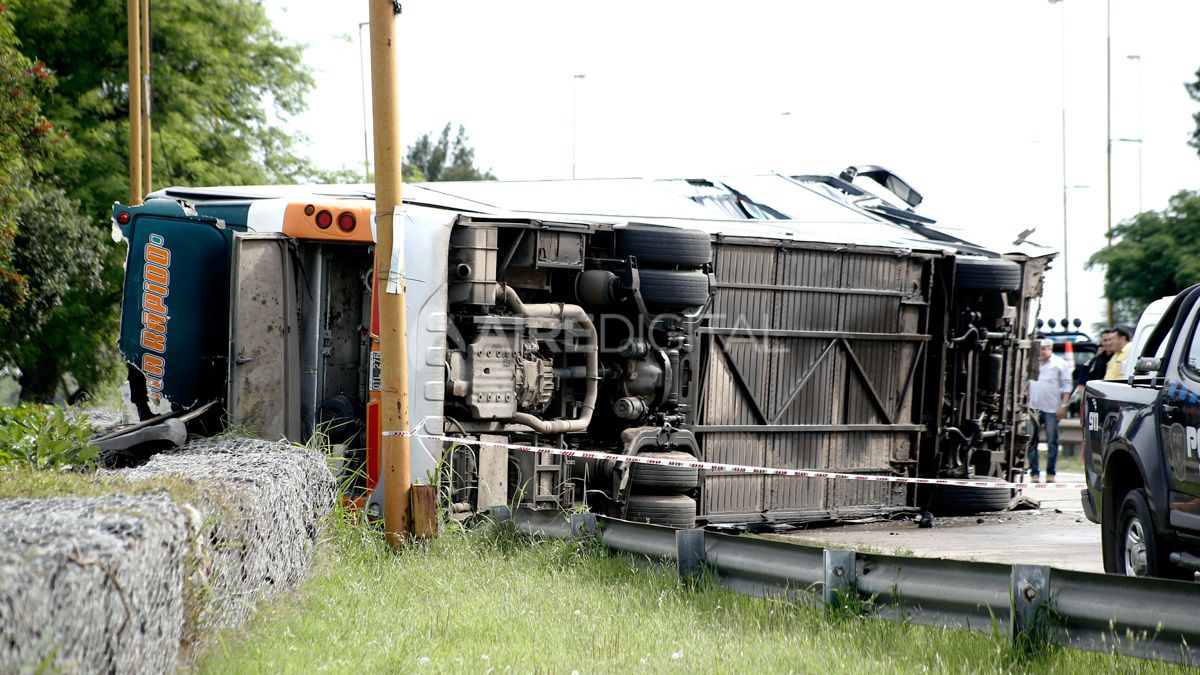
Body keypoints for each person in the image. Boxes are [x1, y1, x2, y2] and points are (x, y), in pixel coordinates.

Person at [1029, 339, 1072, 483]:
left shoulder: (1060, 364)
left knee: (1052, 441)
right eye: (1038, 349)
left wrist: (1063, 406)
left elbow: (1066, 387)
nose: (1040, 352)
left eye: (1043, 349)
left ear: (1050, 348)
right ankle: (1034, 473)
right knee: (1031, 441)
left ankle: (1050, 473)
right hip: (1032, 408)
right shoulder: (1031, 362)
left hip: (1052, 409)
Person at [1074, 329, 1113, 403]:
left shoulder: (1121, 358)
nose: (1108, 343)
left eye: (1110, 340)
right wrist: (1084, 403)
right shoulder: (1095, 361)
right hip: (1097, 399)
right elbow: (1081, 384)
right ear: (1101, 342)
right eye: (1105, 340)